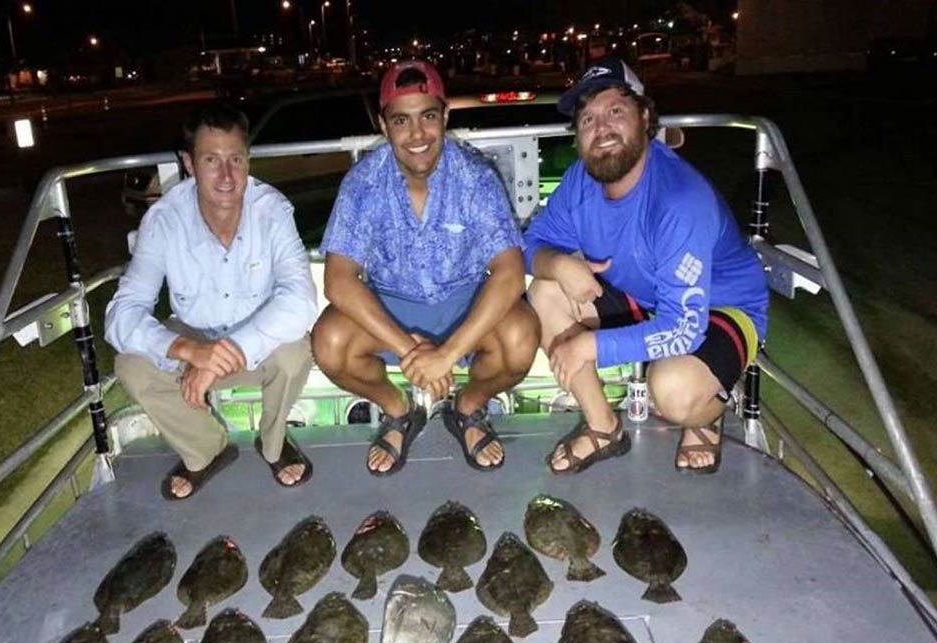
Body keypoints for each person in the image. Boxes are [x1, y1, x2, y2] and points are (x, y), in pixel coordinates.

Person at [525, 58, 768, 475]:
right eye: (587, 119)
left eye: (615, 111)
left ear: (645, 117)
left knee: (672, 391)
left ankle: (707, 416)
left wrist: (587, 345)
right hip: (646, 296)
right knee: (545, 291)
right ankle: (604, 428)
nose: (600, 129)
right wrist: (559, 263)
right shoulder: (580, 181)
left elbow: (683, 328)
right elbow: (531, 243)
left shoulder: (678, 200)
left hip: (718, 308)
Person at [312, 60, 539, 475]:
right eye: (401, 120)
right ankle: (399, 412)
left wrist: (446, 355)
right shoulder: (363, 182)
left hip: (465, 306)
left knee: (521, 336)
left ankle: (469, 408)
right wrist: (410, 349)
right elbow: (339, 281)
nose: (417, 135)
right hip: (392, 311)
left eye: (428, 117)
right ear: (384, 126)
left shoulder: (476, 177)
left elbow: (508, 271)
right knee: (329, 343)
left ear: (445, 116)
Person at [105, 103, 318, 499]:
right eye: (211, 160)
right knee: (130, 365)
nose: (226, 175)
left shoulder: (271, 209)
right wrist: (188, 350)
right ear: (188, 163)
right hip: (194, 336)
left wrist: (230, 349)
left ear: (248, 160)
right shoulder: (164, 219)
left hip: (256, 340)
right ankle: (206, 449)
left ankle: (273, 443)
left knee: (295, 351)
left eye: (236, 159)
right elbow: (122, 314)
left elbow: (301, 298)